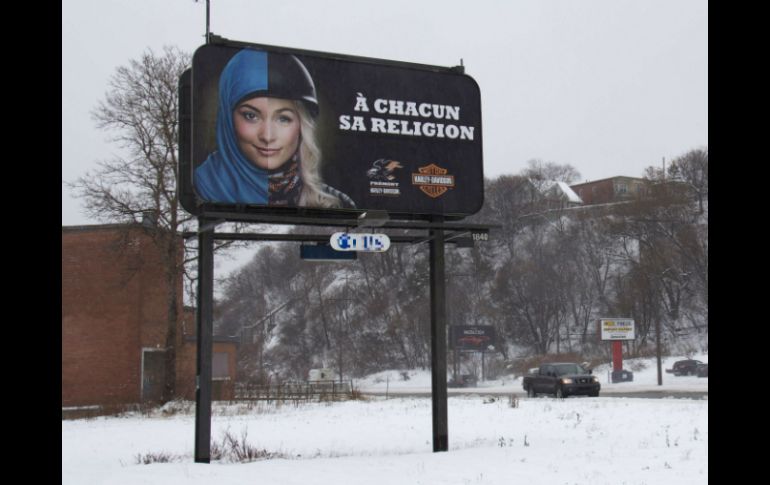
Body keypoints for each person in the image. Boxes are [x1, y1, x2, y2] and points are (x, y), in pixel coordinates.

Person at [194, 48, 355, 209]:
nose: (267, 136)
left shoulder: (335, 203)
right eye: (251, 116)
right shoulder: (201, 188)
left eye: (283, 119)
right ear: (227, 119)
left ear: (302, 125)